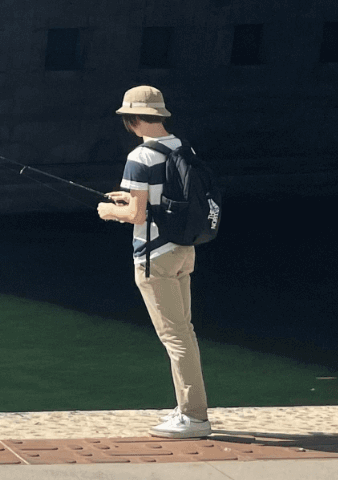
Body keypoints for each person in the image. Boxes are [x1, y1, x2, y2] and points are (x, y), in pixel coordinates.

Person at [97, 85, 211, 439]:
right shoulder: (182, 146)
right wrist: (129, 198)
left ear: (132, 120)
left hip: (154, 257)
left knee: (175, 336)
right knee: (184, 330)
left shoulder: (140, 157)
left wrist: (109, 211)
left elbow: (136, 213)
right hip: (183, 250)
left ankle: (194, 417)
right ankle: (185, 409)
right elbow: (166, 196)